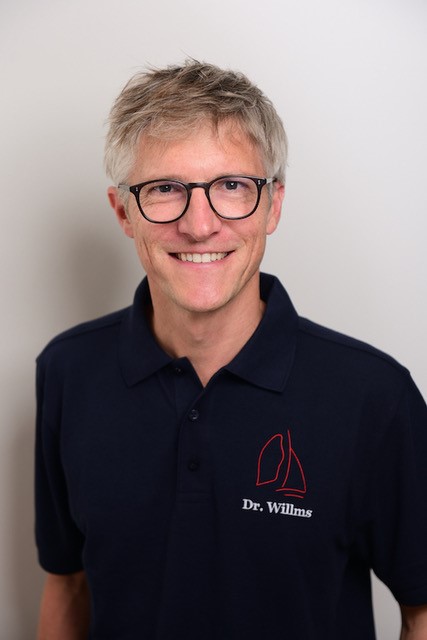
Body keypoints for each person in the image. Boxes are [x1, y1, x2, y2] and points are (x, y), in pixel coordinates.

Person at [35, 60, 427, 640]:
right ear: (123, 212)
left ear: (273, 205)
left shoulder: (375, 397)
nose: (200, 225)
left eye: (232, 187)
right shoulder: (68, 372)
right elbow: (67, 584)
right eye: (165, 189)